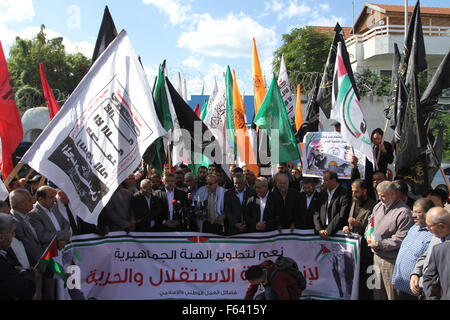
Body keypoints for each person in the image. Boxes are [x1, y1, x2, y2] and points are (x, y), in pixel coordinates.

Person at [365, 181, 414, 300]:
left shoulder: (403, 212)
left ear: (393, 194)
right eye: (379, 195)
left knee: (390, 294)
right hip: (376, 256)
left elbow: (400, 238)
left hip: (390, 260)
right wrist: (368, 235)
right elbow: (370, 223)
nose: (380, 198)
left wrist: (379, 244)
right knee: (377, 292)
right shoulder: (378, 206)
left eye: (383, 195)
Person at [392, 198, 434, 300]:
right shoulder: (413, 228)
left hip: (415, 292)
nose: (413, 215)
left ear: (428, 213)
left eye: (418, 212)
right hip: (400, 288)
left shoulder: (434, 235)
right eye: (413, 211)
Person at [342, 179, 377, 300]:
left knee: (365, 280)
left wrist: (359, 225)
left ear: (364, 191)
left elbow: (374, 228)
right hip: (353, 250)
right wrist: (347, 226)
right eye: (352, 192)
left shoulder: (373, 206)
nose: (354, 195)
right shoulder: (354, 202)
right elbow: (348, 219)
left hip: (366, 252)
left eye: (356, 192)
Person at [410, 207, 450, 299]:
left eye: (429, 226)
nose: (427, 229)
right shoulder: (436, 237)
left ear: (441, 226)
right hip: (427, 292)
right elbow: (426, 256)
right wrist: (416, 273)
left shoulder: (444, 247)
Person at [0, 213, 36, 300]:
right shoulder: (2, 264)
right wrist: (23, 271)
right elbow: (27, 289)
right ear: (1, 237)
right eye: (12, 233)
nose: (14, 236)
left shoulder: (5, 254)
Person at [28, 186, 71, 250]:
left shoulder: (54, 206)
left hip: (65, 246)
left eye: (54, 197)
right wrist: (63, 235)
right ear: (40, 199)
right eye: (51, 197)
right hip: (52, 251)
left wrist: (65, 239)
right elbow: (43, 236)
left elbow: (65, 222)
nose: (54, 200)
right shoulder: (33, 214)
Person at [314, 170, 351, 239]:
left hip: (336, 232)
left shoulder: (344, 194)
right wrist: (319, 229)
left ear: (334, 180)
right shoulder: (322, 193)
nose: (323, 182)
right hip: (322, 231)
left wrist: (328, 231)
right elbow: (316, 212)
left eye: (326, 180)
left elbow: (341, 214)